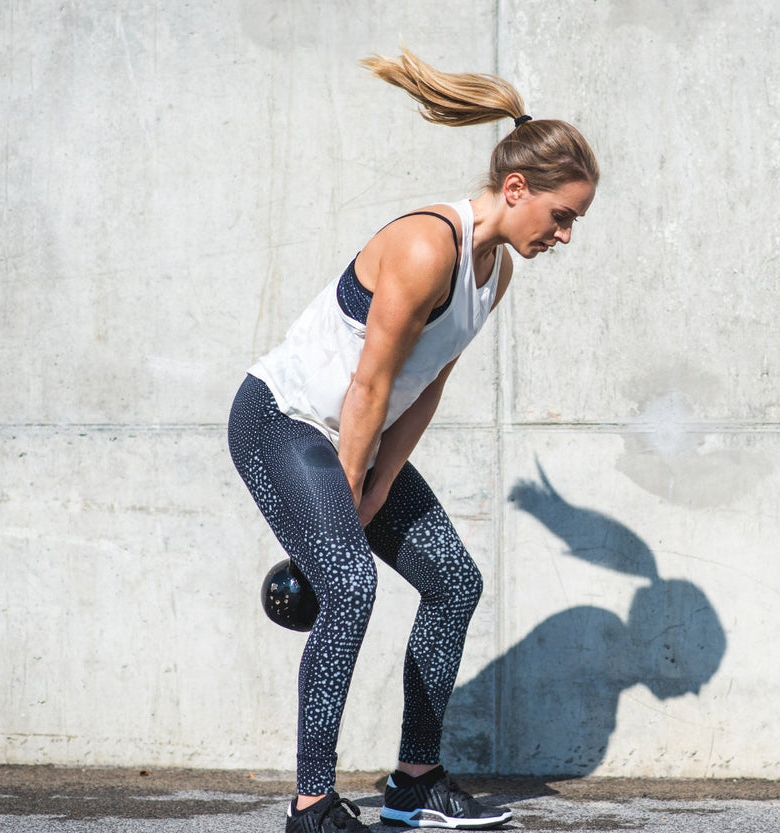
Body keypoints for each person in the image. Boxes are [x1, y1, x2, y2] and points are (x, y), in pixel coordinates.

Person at [228, 47, 599, 833]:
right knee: (351, 584)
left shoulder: (495, 273)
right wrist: (347, 503)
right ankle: (310, 803)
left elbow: (425, 387)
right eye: (561, 215)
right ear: (515, 188)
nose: (565, 235)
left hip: (357, 439)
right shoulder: (428, 246)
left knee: (455, 582)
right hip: (282, 421)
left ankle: (416, 778)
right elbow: (367, 385)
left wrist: (377, 488)